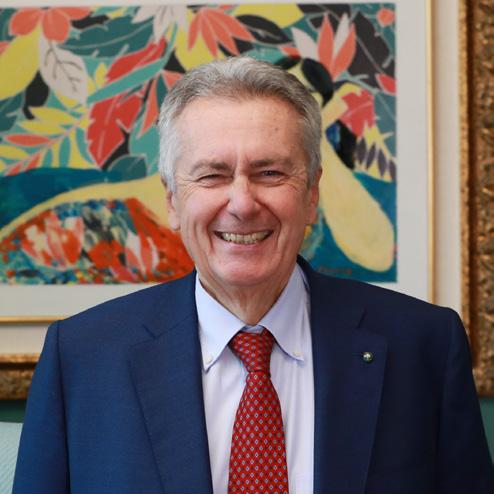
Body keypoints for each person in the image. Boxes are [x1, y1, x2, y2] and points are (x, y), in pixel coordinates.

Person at [13, 57, 494, 494]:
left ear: (311, 194)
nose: (242, 204)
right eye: (212, 175)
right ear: (173, 200)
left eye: (269, 173)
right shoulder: (83, 358)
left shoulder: (424, 346)